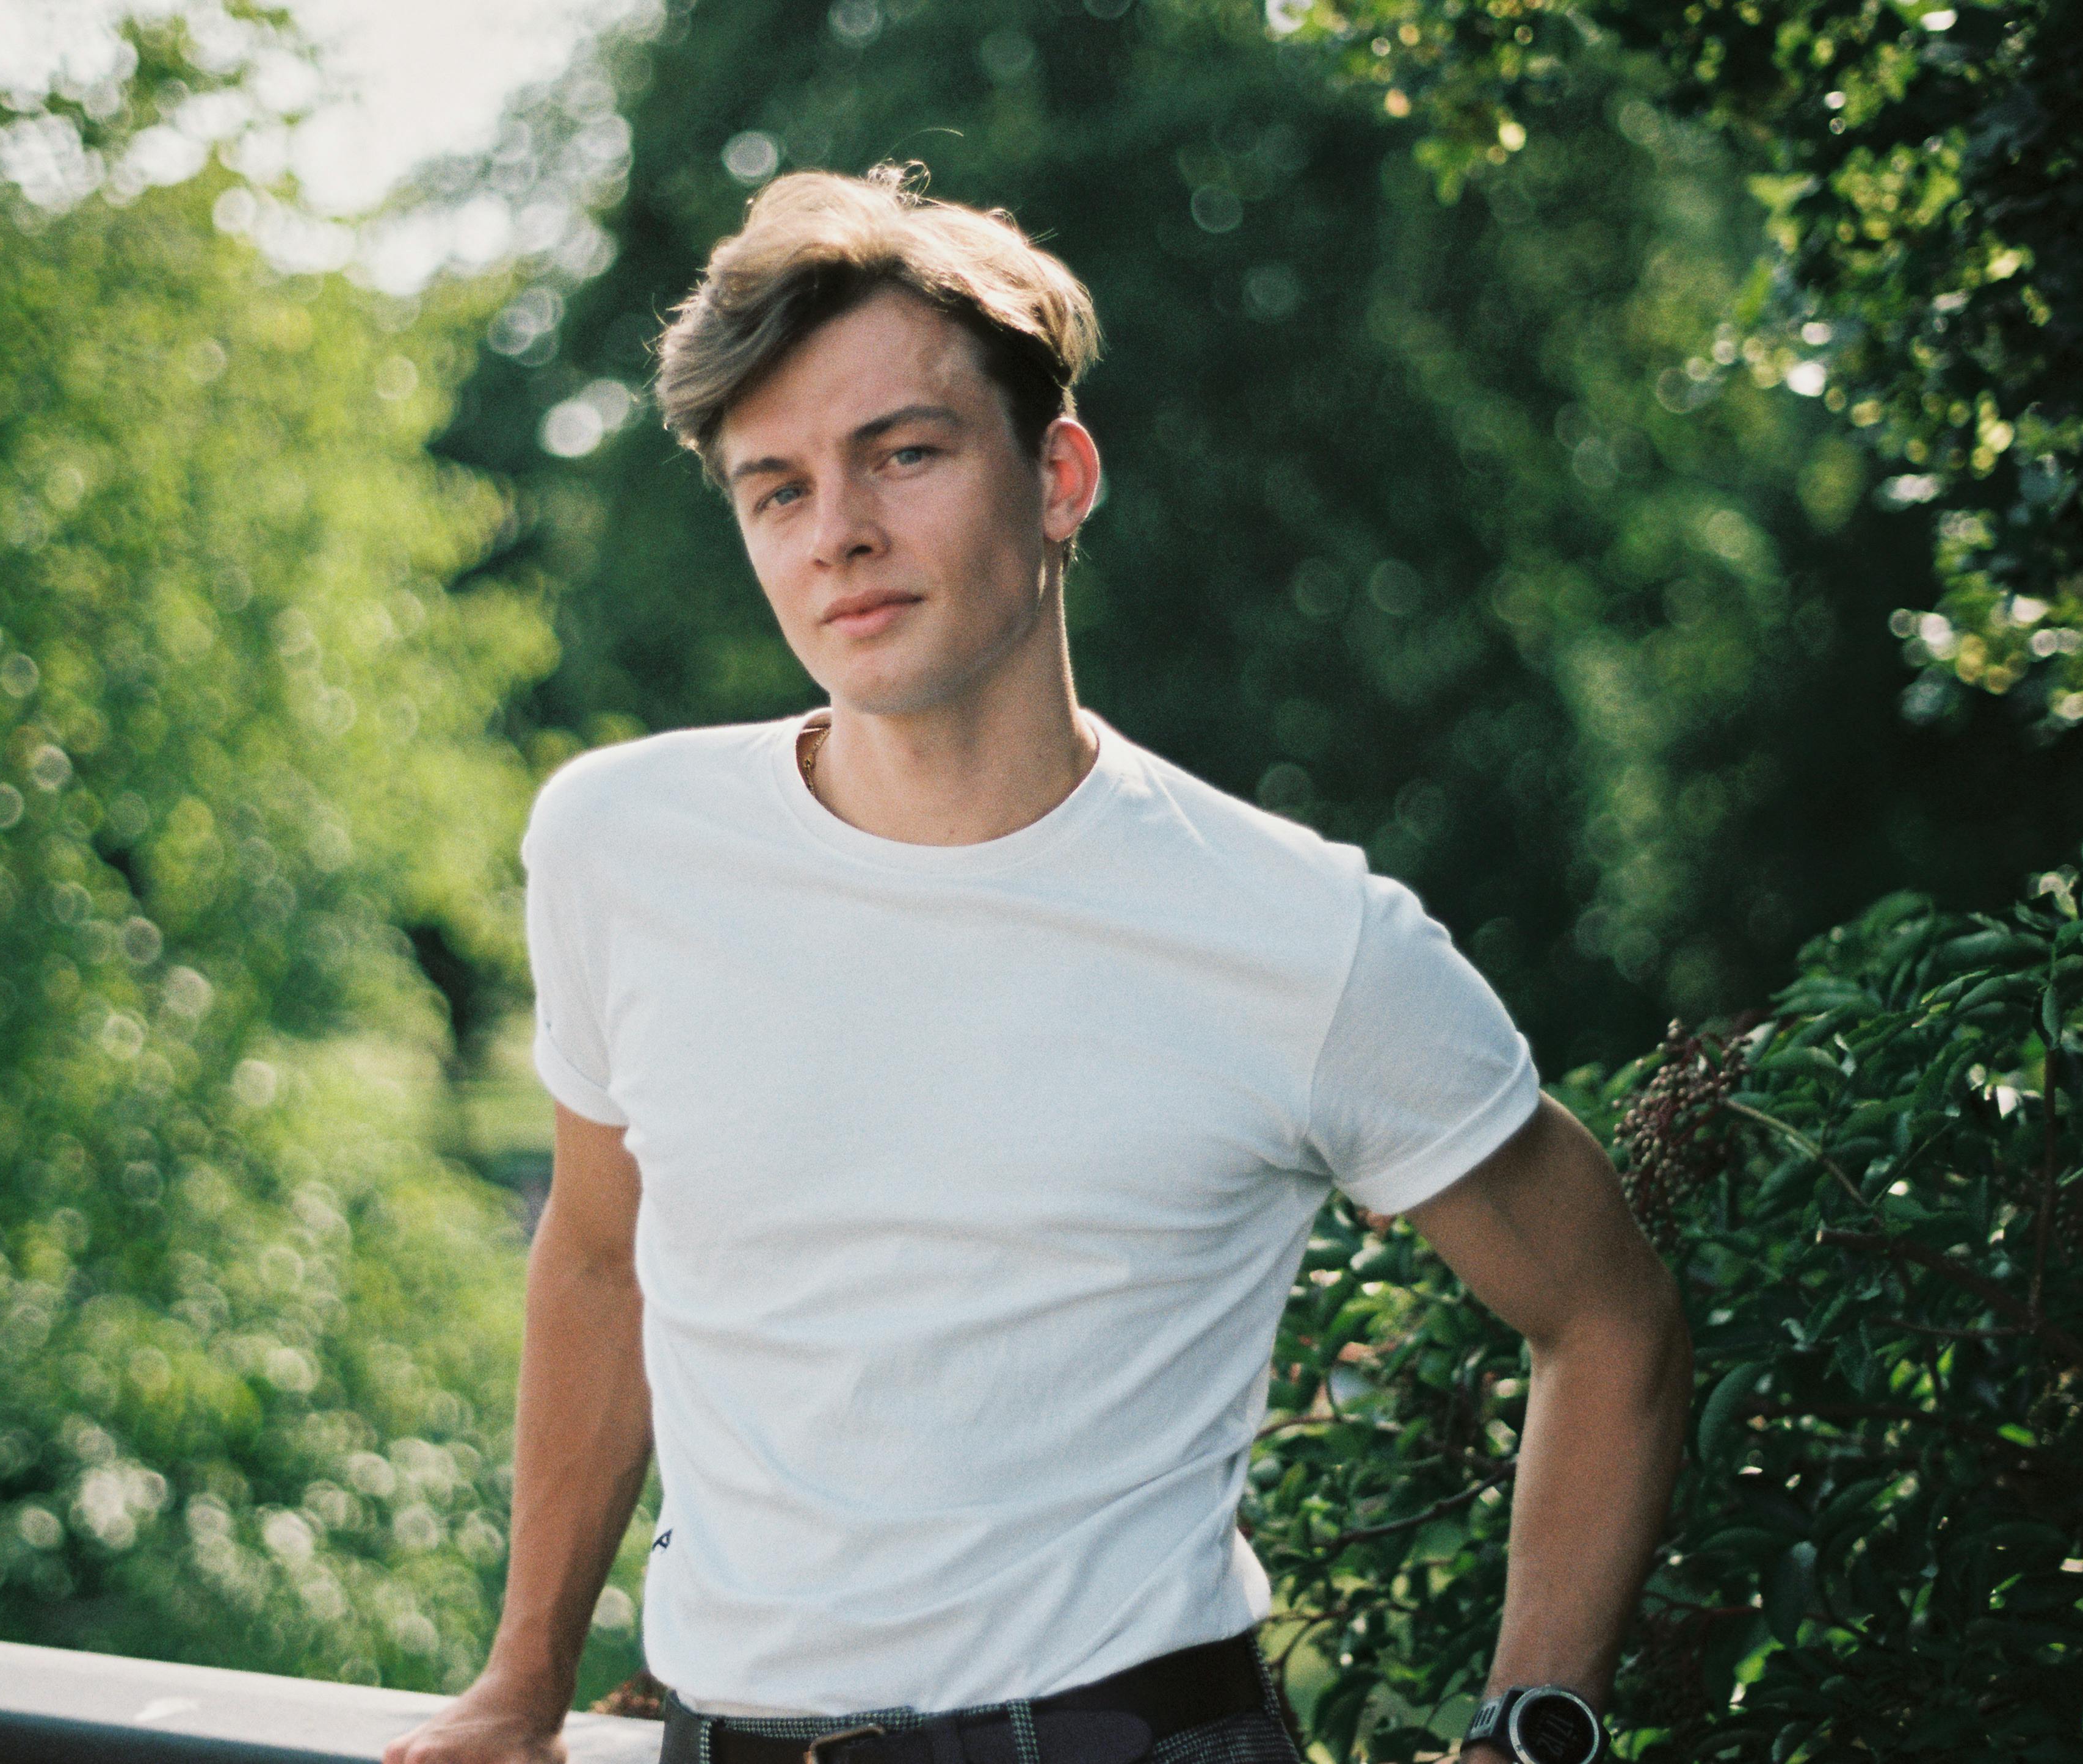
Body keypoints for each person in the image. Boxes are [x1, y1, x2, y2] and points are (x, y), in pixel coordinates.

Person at [384, 164, 1689, 1764]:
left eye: (904, 454)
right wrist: (520, 1685)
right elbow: (597, 1259)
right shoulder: (620, 843)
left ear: (1059, 472)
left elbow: (1608, 1316)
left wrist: (1530, 1726)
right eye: (774, 488)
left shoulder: (1301, 934)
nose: (840, 532)